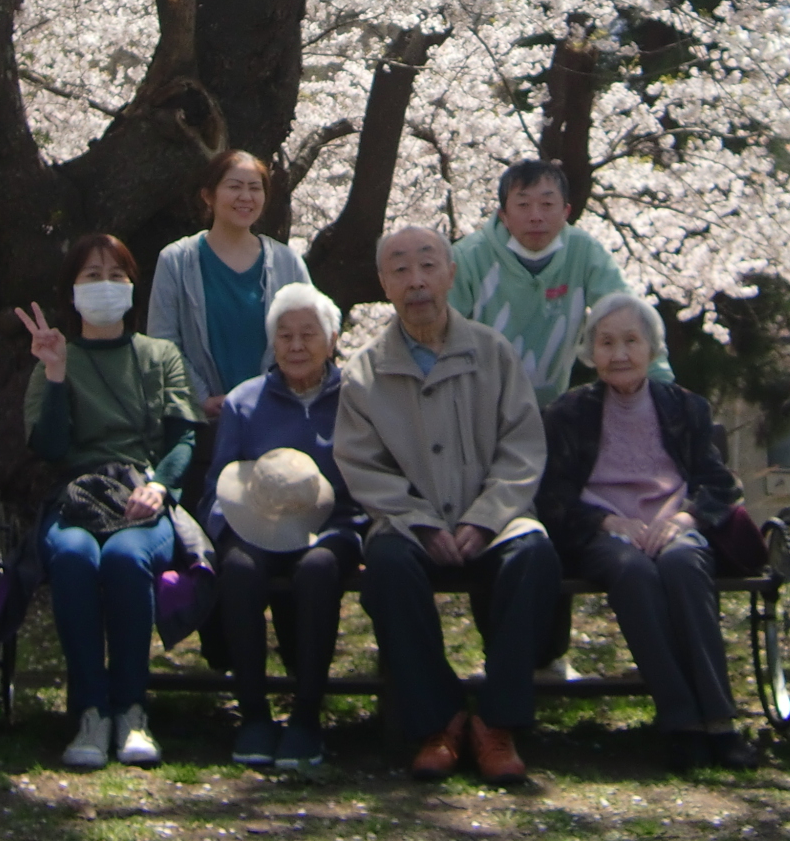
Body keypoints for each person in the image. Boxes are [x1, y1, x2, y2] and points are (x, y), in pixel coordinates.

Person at [335, 225, 559, 784]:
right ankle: (439, 719)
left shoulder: (493, 351)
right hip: (411, 527)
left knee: (533, 556)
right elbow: (364, 466)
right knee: (385, 567)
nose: (417, 282)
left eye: (428, 266)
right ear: (384, 283)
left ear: (450, 273)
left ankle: (496, 724)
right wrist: (420, 523)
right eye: (401, 270)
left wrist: (485, 519)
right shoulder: (365, 371)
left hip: (492, 521)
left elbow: (522, 447)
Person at [536, 293, 758, 771]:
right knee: (632, 572)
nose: (619, 354)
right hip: (602, 534)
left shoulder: (685, 408)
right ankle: (681, 722)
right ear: (590, 351)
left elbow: (720, 485)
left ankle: (720, 721)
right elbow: (552, 497)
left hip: (673, 525)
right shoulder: (568, 412)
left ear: (653, 349)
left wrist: (683, 519)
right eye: (606, 342)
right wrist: (608, 522)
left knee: (683, 565)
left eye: (631, 341)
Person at [23, 233, 201, 771]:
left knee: (127, 559)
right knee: (74, 557)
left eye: (116, 275)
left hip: (143, 494)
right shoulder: (56, 357)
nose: (105, 286)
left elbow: (183, 436)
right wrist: (55, 373)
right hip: (77, 497)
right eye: (91, 276)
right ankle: (89, 711)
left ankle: (130, 709)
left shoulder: (159, 355)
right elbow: (49, 448)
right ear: (72, 291)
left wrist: (161, 486)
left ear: (132, 285)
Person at [199, 281, 364, 772]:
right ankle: (252, 713)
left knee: (317, 569)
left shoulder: (356, 397)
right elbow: (216, 484)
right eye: (285, 335)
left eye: (308, 335)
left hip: (332, 524)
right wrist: (225, 526)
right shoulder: (245, 401)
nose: (296, 346)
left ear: (332, 339)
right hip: (257, 520)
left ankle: (307, 716)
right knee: (241, 569)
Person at [449, 159, 668, 406]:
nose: (535, 216)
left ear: (565, 212)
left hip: (551, 408)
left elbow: (628, 316)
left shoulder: (583, 252)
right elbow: (439, 334)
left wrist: (662, 388)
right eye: (523, 205)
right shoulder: (468, 257)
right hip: (476, 409)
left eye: (547, 204)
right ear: (504, 215)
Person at [147, 150, 311, 417]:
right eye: (234, 187)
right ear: (208, 196)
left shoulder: (287, 262)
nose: (245, 197)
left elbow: (314, 333)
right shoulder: (176, 261)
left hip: (277, 413)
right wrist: (201, 397)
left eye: (255, 188)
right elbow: (163, 343)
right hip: (201, 420)